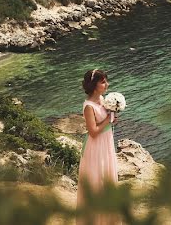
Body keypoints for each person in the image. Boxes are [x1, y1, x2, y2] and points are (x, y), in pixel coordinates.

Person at [77, 68, 119, 225]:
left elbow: (105, 122)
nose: (107, 84)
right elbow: (93, 131)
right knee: (97, 182)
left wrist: (112, 120)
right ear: (94, 85)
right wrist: (108, 121)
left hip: (106, 143)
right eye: (103, 82)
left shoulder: (103, 100)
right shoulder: (88, 106)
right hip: (96, 148)